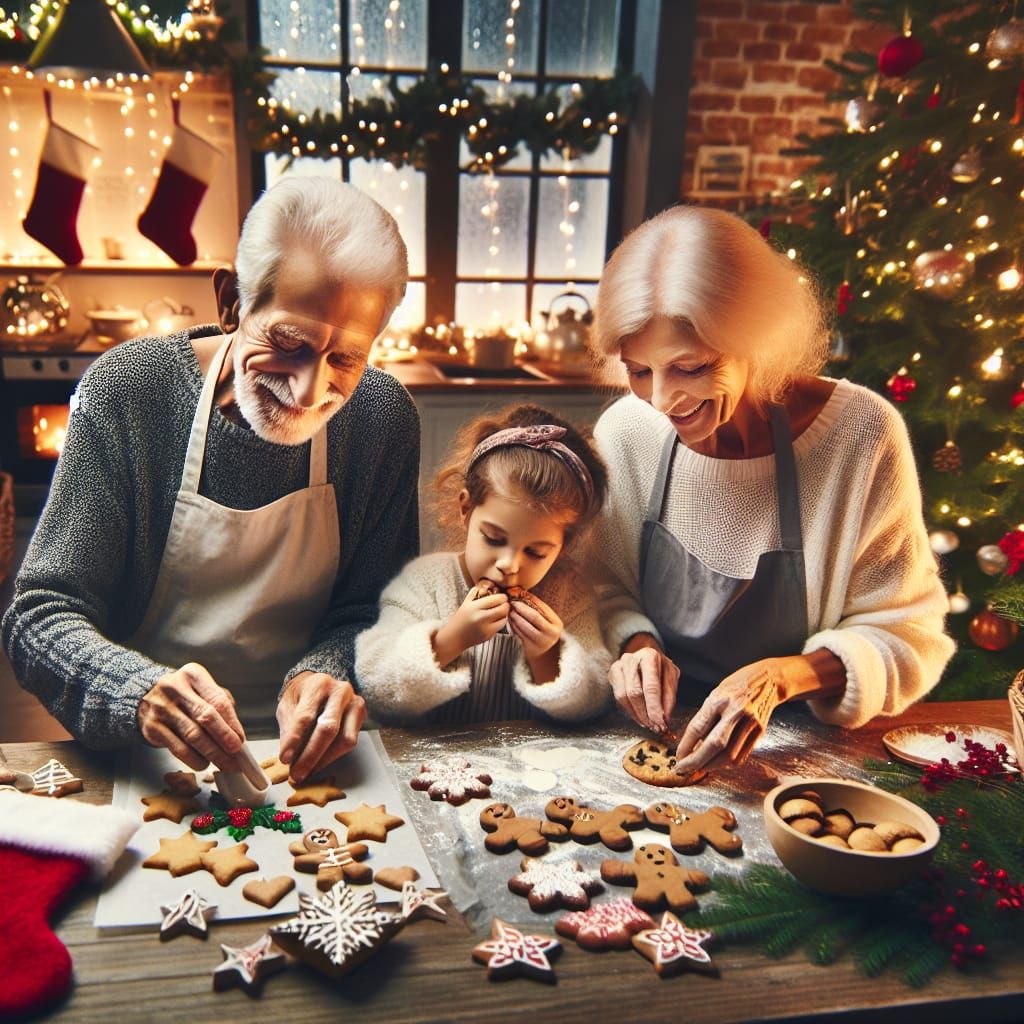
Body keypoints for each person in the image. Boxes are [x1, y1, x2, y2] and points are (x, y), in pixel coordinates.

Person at [2, 177, 419, 783]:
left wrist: (329, 669)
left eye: (346, 357)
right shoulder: (130, 392)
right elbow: (38, 614)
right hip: (146, 767)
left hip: (316, 768)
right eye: (288, 342)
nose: (309, 391)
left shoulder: (382, 419)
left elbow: (376, 609)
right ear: (230, 300)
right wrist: (138, 691)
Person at [588, 205, 955, 775]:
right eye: (639, 370)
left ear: (757, 340)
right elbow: (603, 593)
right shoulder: (627, 433)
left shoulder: (860, 435)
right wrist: (635, 644)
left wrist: (784, 677)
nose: (661, 400)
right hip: (650, 742)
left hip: (802, 762)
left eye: (690, 367)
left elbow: (909, 635)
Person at [355, 404, 612, 723]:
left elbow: (595, 700)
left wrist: (548, 655)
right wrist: (450, 641)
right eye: (493, 538)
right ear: (466, 509)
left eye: (535, 552)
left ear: (564, 546)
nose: (509, 564)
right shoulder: (423, 584)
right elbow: (378, 689)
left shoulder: (569, 596)